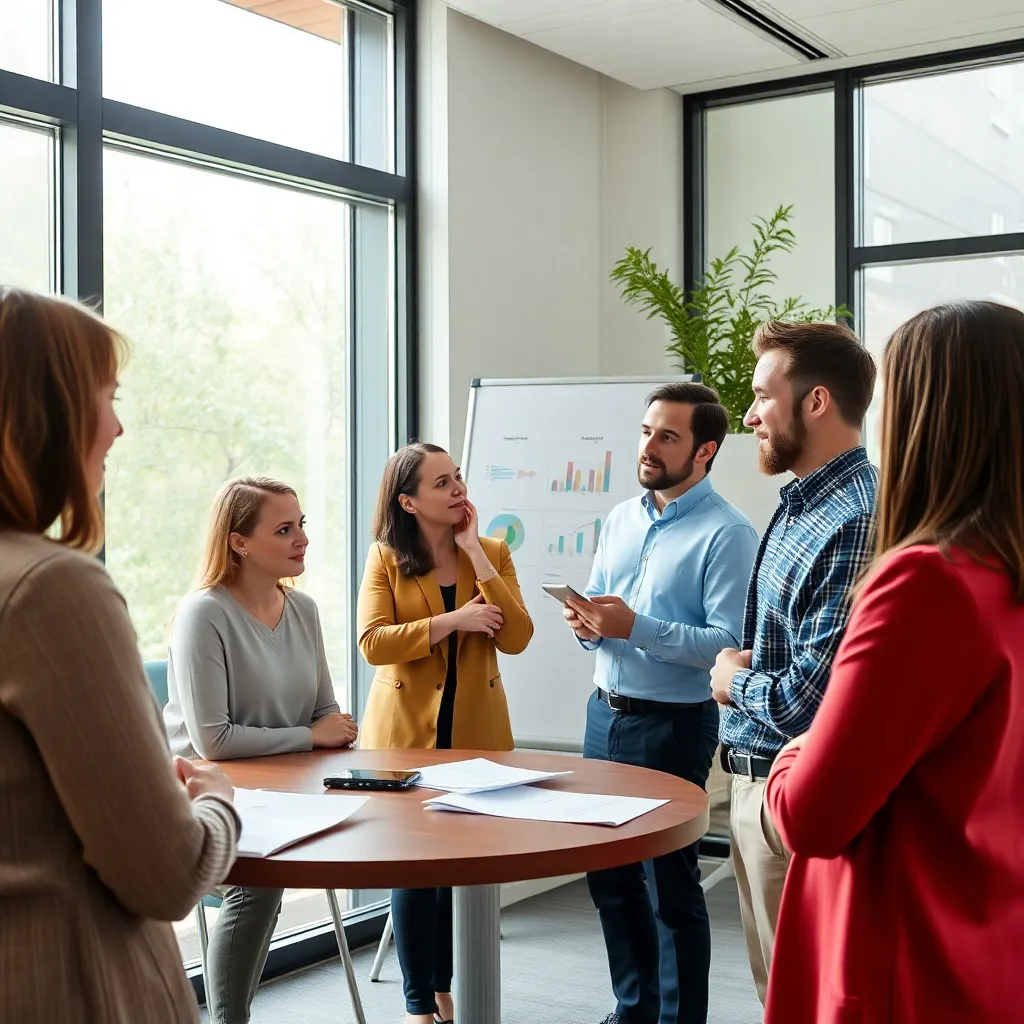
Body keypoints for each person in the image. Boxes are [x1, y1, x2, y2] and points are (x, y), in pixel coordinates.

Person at [763, 300, 1024, 1022]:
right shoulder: (1007, 573)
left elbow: (811, 816)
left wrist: (793, 751)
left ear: (921, 415)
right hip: (989, 943)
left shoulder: (926, 584)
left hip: (901, 961)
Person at [0, 286, 240, 1024]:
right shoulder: (52, 589)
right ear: (52, 412)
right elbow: (170, 875)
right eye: (108, 396)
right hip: (72, 987)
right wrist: (213, 801)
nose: (119, 426)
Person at [562, 382, 759, 1024]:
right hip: (604, 715)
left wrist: (636, 627)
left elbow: (730, 644)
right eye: (647, 430)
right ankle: (633, 1009)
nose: (649, 446)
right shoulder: (621, 516)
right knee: (609, 880)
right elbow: (597, 597)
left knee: (669, 886)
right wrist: (586, 619)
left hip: (673, 727)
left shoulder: (728, 533)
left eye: (667, 436)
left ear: (705, 451)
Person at [709, 319, 877, 1006]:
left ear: (815, 402)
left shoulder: (853, 516)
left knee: (805, 1002)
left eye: (760, 396)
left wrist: (731, 678)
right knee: (775, 997)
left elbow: (810, 698)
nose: (748, 415)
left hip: (791, 798)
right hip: (754, 788)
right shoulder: (800, 504)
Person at [164, 476, 358, 1024]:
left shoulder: (305, 610)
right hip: (208, 791)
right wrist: (312, 736)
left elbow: (327, 711)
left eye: (301, 526)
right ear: (239, 541)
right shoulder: (204, 614)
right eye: (283, 529)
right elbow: (213, 741)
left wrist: (323, 732)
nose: (301, 539)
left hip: (288, 786)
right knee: (258, 882)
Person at [356, 442, 534, 1024]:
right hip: (404, 735)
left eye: (457, 477)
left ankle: (444, 987)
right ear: (408, 502)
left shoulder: (493, 551)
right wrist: (451, 622)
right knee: (413, 872)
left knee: (461, 873)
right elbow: (373, 642)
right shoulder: (386, 557)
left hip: (476, 733)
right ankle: (417, 1004)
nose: (458, 488)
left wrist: (474, 557)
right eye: (441, 483)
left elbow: (517, 637)